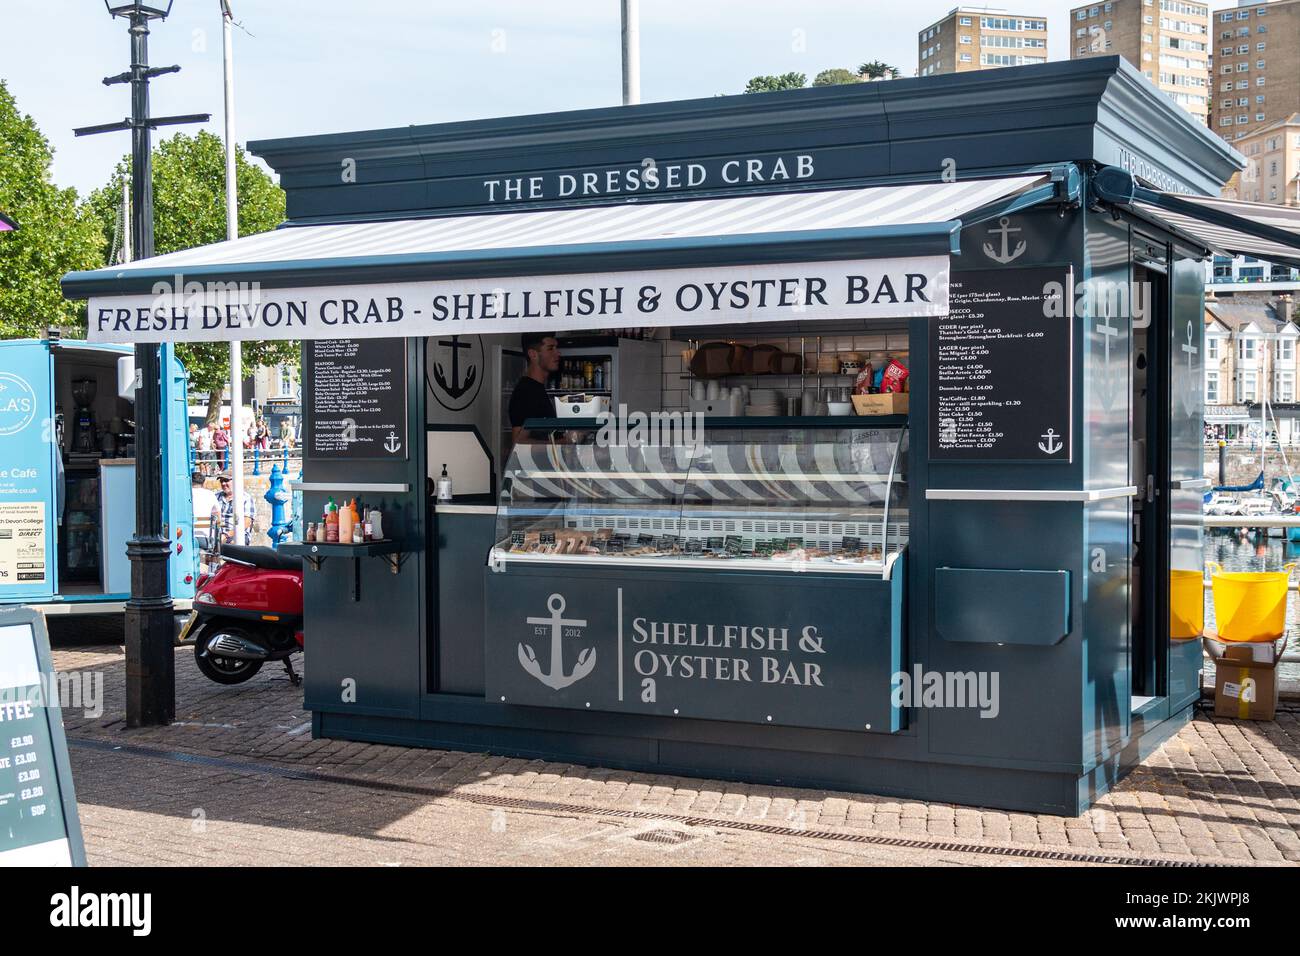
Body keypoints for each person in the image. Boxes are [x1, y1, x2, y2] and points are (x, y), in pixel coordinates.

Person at [509, 332, 561, 446]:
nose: (557, 353)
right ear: (533, 354)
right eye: (550, 348)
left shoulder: (537, 388)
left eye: (556, 348)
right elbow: (518, 444)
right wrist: (564, 442)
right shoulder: (525, 392)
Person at [211, 473, 255, 547]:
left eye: (226, 480)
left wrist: (226, 535)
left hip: (237, 534)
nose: (223, 483)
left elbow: (247, 522)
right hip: (218, 534)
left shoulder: (245, 498)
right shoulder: (215, 497)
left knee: (233, 546)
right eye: (221, 481)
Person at [191, 471, 218, 551]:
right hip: (206, 538)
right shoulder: (210, 494)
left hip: (188, 537)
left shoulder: (185, 494)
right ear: (203, 483)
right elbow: (218, 515)